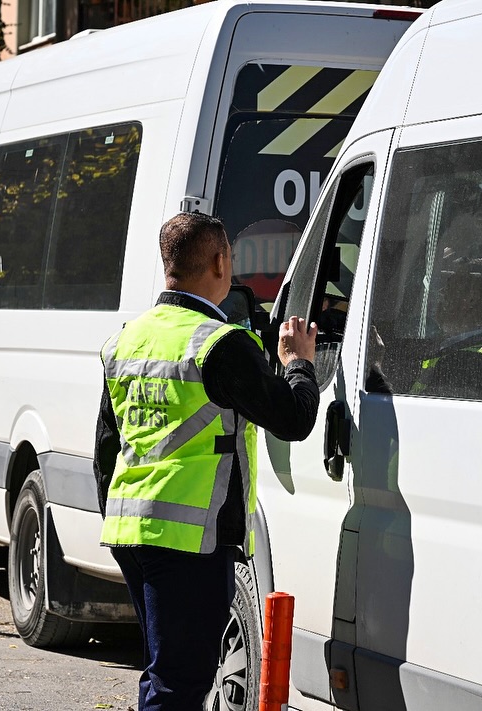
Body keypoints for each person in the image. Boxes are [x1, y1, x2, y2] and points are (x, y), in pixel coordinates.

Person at [93, 212, 319, 711]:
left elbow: (106, 451)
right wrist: (299, 364)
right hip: (190, 540)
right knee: (181, 684)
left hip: (130, 532)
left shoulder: (128, 338)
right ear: (219, 261)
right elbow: (293, 419)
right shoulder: (220, 344)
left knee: (161, 674)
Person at [410, 258, 482, 402]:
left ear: (472, 298)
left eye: (451, 285)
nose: (442, 291)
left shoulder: (471, 364)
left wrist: (376, 372)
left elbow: (427, 419)